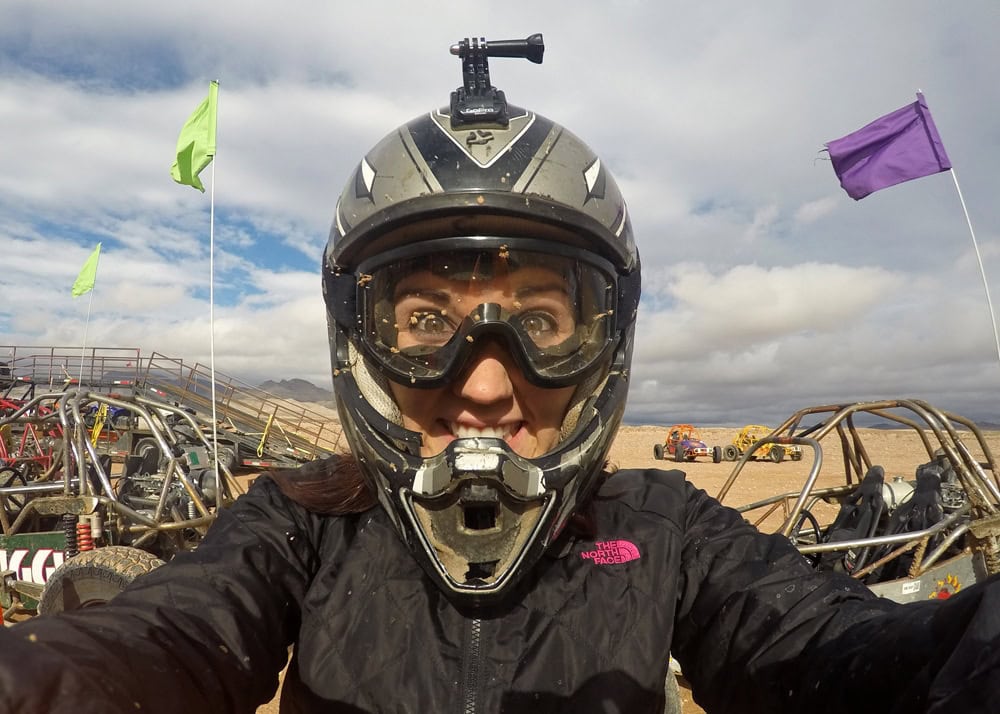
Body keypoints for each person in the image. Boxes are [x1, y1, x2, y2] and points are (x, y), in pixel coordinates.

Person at [2, 37, 999, 714]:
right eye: (426, 321)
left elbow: (844, 657)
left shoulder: (667, 532)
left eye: (541, 323)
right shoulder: (299, 529)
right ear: (360, 340)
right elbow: (160, 640)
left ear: (606, 342)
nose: (484, 383)